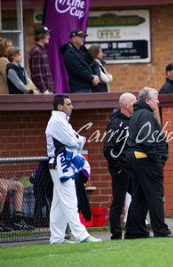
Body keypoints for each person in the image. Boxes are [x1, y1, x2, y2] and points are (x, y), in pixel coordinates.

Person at [46, 94, 102, 243]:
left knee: (59, 204)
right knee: (71, 201)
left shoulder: (62, 121)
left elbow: (76, 140)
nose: (72, 106)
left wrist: (77, 140)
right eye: (69, 104)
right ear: (60, 107)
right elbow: (73, 141)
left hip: (61, 164)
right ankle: (81, 235)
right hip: (60, 165)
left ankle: (57, 238)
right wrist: (78, 140)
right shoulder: (57, 121)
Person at [124, 87, 173, 239]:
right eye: (156, 98)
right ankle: (161, 230)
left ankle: (135, 231)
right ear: (147, 101)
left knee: (139, 197)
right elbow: (147, 140)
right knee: (155, 196)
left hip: (137, 159)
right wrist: (157, 158)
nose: (158, 101)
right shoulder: (146, 114)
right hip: (146, 160)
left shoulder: (137, 114)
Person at [103, 92, 137, 240]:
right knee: (118, 201)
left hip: (132, 168)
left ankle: (132, 229)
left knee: (138, 197)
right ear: (126, 105)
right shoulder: (115, 124)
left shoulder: (134, 121)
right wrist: (118, 167)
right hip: (120, 169)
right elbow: (108, 149)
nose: (136, 105)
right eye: (134, 102)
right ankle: (116, 234)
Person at [29, 25, 54, 94]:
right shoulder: (36, 51)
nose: (49, 36)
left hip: (48, 88)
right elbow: (37, 73)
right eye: (47, 35)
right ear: (41, 36)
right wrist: (44, 89)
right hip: (42, 90)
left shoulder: (42, 50)